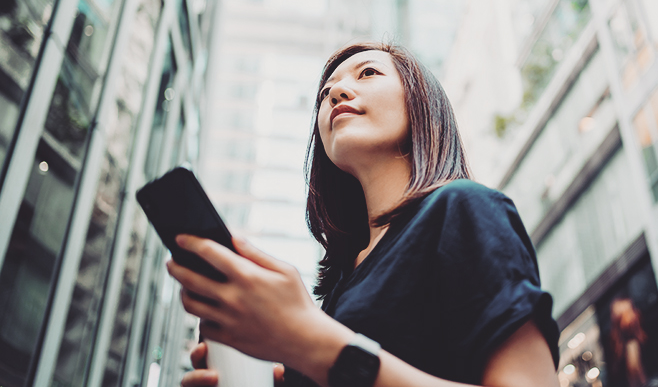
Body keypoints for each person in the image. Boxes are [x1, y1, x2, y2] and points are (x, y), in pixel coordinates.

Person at [168, 42, 561, 387]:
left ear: (421, 101)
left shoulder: (464, 209)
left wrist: (314, 342)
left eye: (368, 73)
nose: (336, 92)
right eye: (324, 94)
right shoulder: (342, 285)